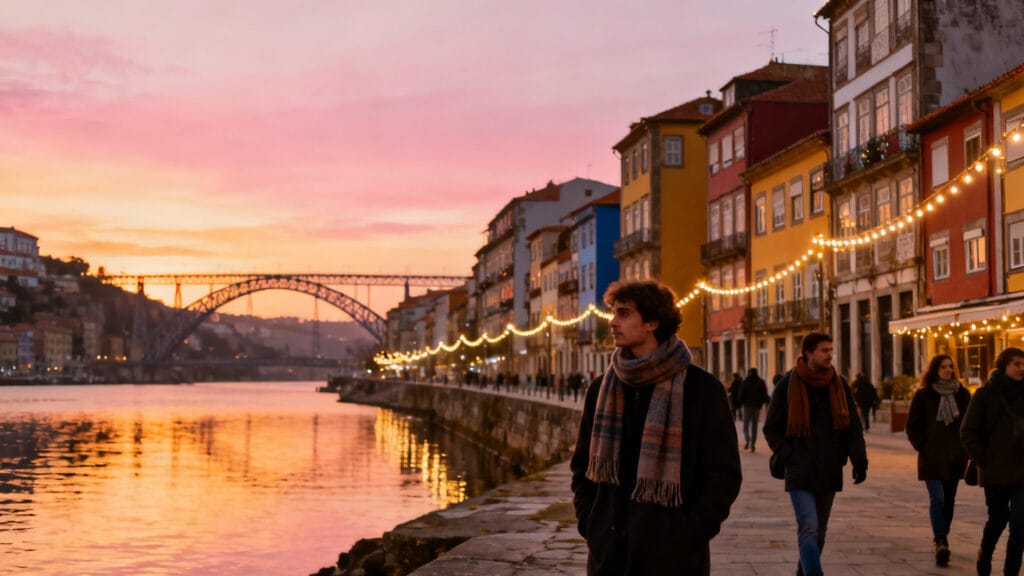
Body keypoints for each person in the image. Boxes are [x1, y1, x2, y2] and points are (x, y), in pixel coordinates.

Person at [570, 280, 742, 575]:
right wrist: (591, 524)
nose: (612, 322)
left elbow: (723, 474)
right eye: (613, 313)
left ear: (652, 322)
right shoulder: (602, 388)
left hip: (674, 559)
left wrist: (690, 533)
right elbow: (582, 467)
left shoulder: (702, 390)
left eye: (623, 313)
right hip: (609, 557)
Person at [763, 332, 868, 576]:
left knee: (820, 531)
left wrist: (859, 459)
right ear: (808, 353)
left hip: (830, 469)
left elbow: (853, 426)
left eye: (831, 350)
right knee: (808, 527)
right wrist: (789, 454)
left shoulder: (839, 384)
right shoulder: (788, 385)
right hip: (799, 470)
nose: (830, 355)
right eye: (824, 350)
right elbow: (771, 428)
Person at [961, 347, 1024, 576]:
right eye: (1017, 364)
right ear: (1004, 365)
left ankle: (1011, 571)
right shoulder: (985, 395)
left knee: (1020, 525)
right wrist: (985, 460)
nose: (1021, 368)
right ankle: (985, 553)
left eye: (1023, 364)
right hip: (995, 472)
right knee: (997, 519)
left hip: (1021, 472)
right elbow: (967, 431)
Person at [905, 354, 971, 567]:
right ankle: (941, 540)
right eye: (944, 367)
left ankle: (942, 536)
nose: (948, 370)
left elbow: (970, 425)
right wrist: (922, 446)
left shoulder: (962, 395)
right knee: (938, 499)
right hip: (931, 458)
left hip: (955, 458)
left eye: (951, 366)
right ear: (935, 370)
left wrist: (965, 450)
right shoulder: (924, 396)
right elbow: (912, 426)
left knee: (949, 500)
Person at [739, 367, 769, 452]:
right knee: (754, 426)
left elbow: (741, 394)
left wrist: (742, 402)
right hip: (756, 407)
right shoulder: (760, 382)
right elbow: (764, 394)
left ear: (749, 373)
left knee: (746, 424)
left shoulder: (746, 382)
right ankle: (753, 444)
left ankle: (747, 439)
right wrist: (762, 402)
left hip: (747, 406)